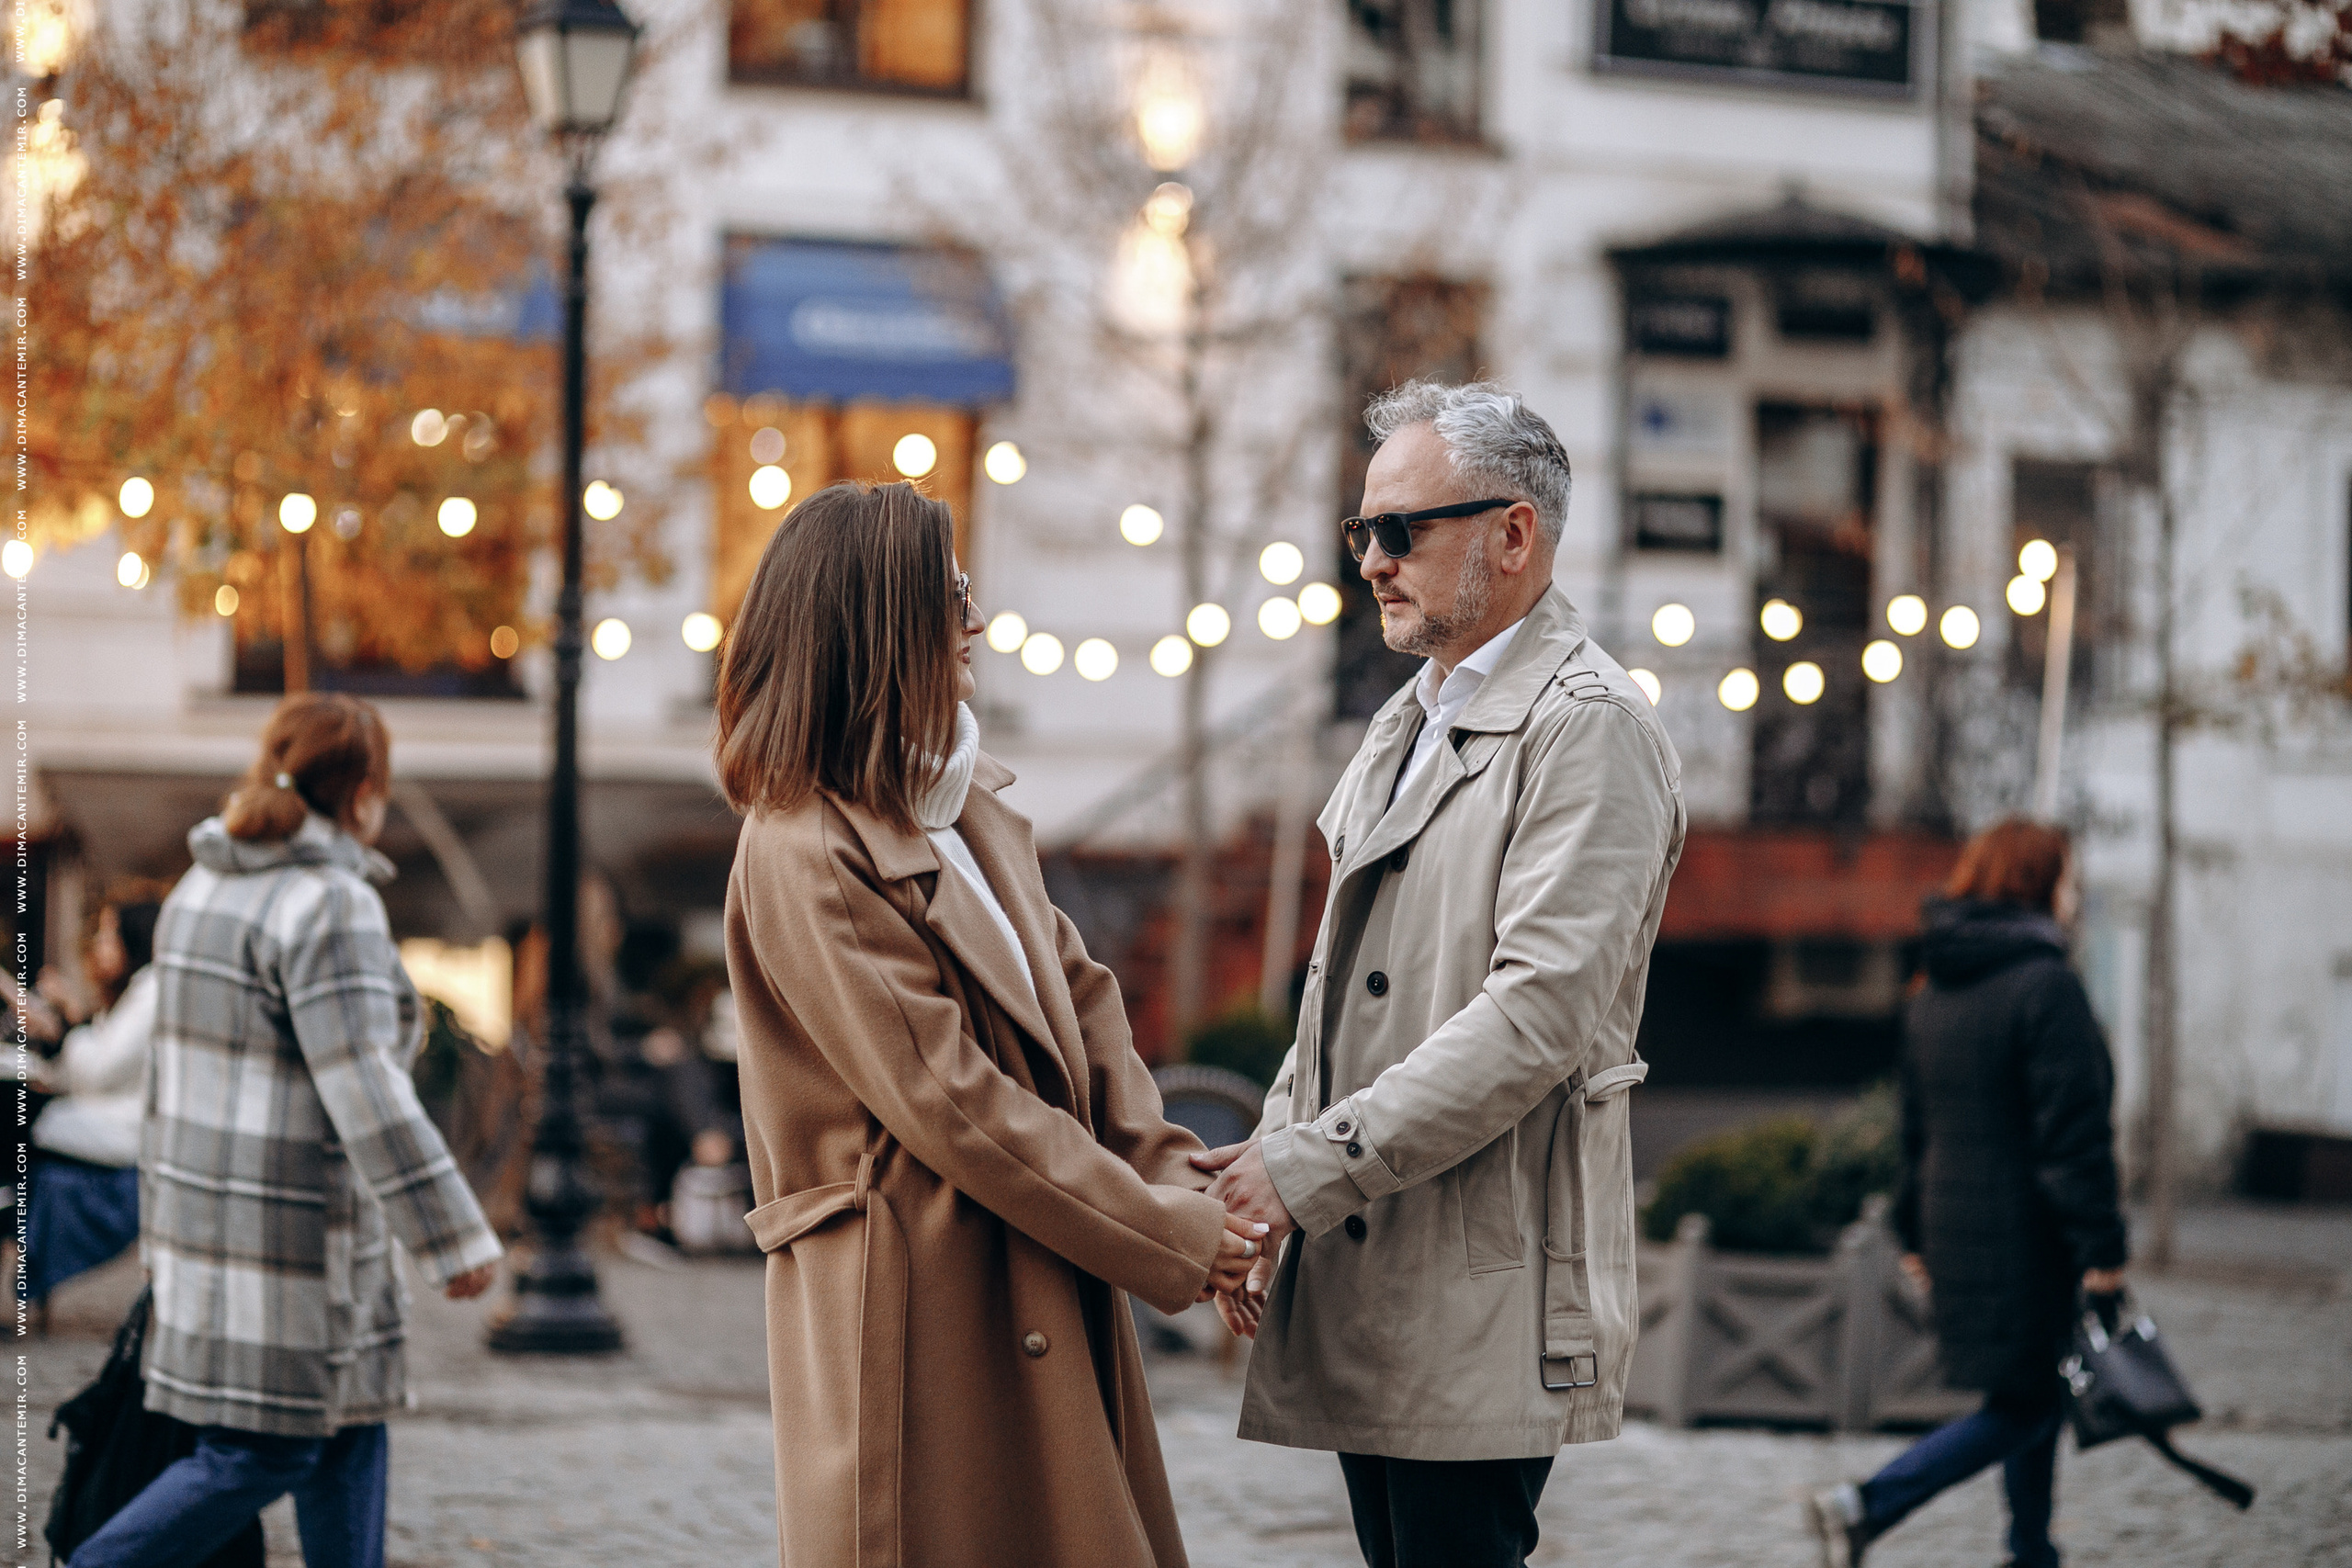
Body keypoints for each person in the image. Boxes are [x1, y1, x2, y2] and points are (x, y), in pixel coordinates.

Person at [717, 480, 1262, 1568]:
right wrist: (1168, 1236)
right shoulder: (806, 850)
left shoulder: (963, 804)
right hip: (921, 1315)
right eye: (951, 594)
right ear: (880, 623)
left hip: (1033, 1262)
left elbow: (1087, 1003)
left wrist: (1183, 1186)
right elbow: (952, 1102)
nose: (975, 622)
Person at [1196, 380, 1686, 1568]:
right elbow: (1332, 993)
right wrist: (1265, 1165)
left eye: (1402, 528)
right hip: (1375, 1253)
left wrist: (1301, 1165)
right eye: (1362, 530)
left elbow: (1539, 1017)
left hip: (1488, 1273)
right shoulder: (1401, 723)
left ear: (1513, 534)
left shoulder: (1591, 726)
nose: (1371, 559)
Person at [68, 693, 503, 1568]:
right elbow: (364, 1086)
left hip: (210, 1233)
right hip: (296, 1248)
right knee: (261, 1452)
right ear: (366, 790)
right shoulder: (328, 901)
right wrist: (453, 1236)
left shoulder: (203, 887)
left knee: (345, 1436)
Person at [1807, 819, 2126, 1568]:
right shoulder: (2047, 987)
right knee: (2027, 1403)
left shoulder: (1933, 990)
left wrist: (1916, 1235)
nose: (2075, 896)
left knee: (2031, 1388)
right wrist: (2103, 1251)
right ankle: (1868, 1503)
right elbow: (2073, 1138)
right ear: (2036, 883)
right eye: (2068, 879)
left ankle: (2030, 1549)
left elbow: (1912, 1130)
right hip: (2029, 1236)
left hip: (1956, 1227)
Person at [20, 903, 162, 1312]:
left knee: (23, 1123)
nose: (97, 947)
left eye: (106, 936)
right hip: (110, 1124)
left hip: (125, 1136)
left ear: (132, 941)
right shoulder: (137, 992)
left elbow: (97, 1070)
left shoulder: (151, 990)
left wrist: (65, 1026)